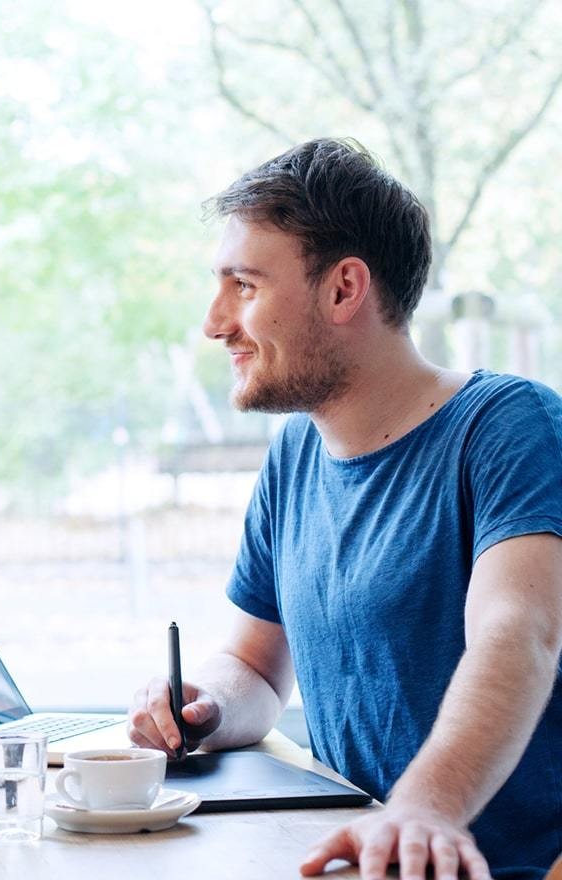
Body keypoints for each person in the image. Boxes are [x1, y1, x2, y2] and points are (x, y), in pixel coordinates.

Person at [127, 139, 562, 879]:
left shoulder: (512, 427)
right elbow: (256, 668)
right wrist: (206, 707)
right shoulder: (295, 456)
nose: (214, 322)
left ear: (343, 289)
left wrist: (424, 807)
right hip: (358, 860)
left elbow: (518, 634)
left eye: (245, 286)